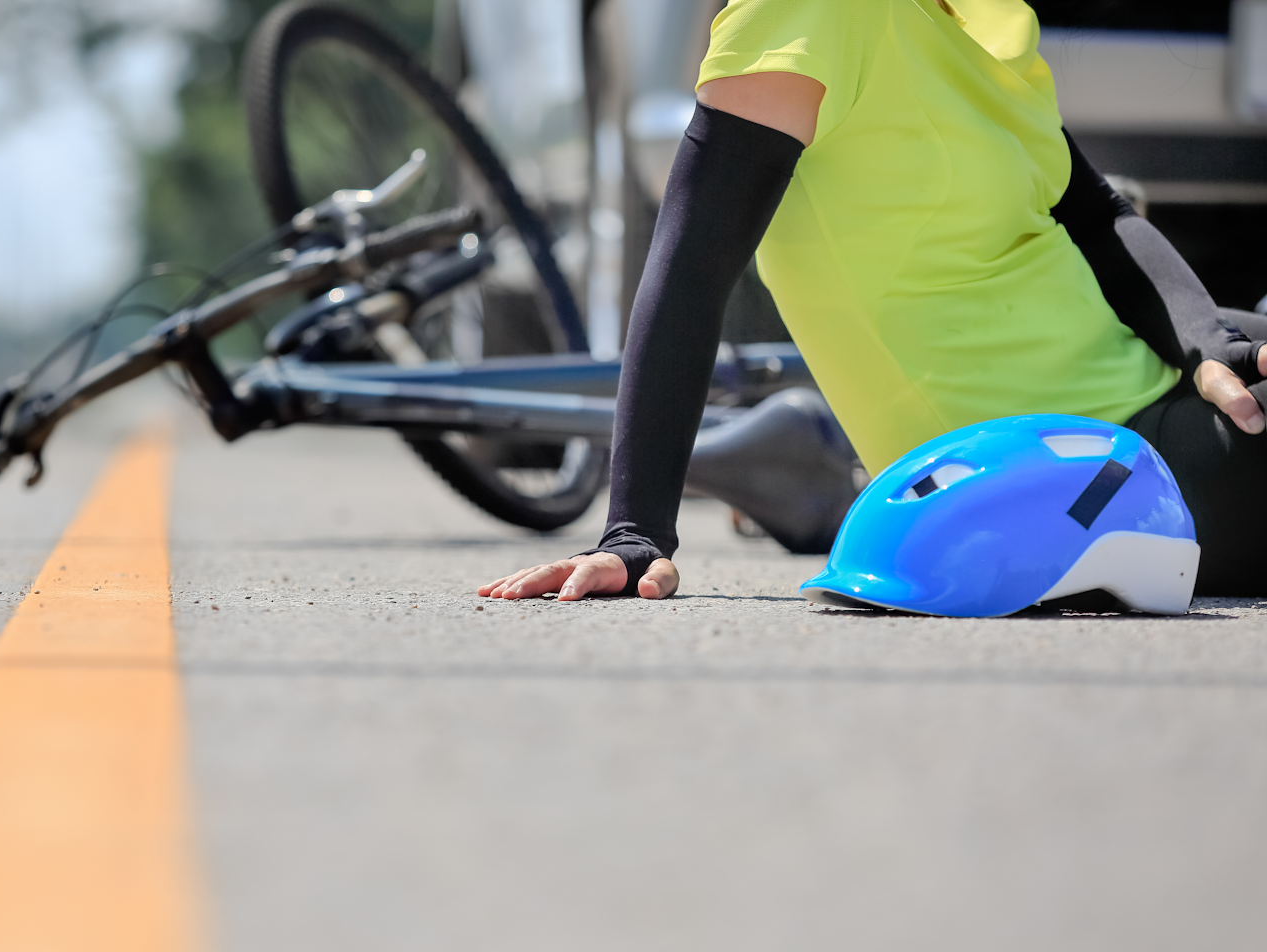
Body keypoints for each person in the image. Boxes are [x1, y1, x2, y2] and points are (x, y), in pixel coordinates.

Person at [479, 0, 1267, 603]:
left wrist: (1209, 339)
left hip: (1151, 393)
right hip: (1075, 468)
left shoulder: (973, 17)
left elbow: (1095, 211)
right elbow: (691, 266)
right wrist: (635, 531)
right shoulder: (811, 13)